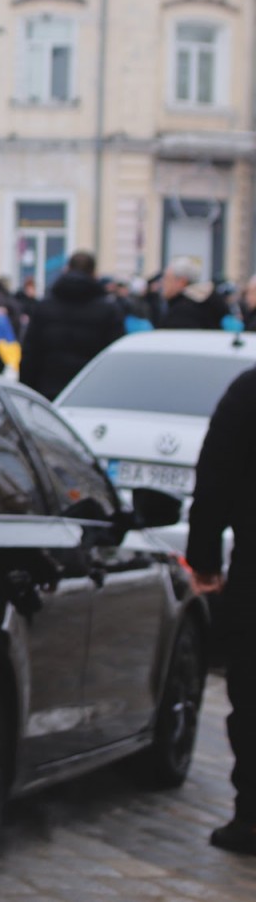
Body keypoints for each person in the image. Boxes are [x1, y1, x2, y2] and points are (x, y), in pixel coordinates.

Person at [190, 364, 256, 856]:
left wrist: (205, 559)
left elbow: (213, 479)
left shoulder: (249, 392)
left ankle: (252, 818)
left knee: (252, 697)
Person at [17, 251, 126, 400]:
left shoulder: (45, 307)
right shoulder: (109, 310)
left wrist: (27, 392)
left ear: (66, 269)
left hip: (48, 392)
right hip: (92, 393)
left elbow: (30, 353)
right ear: (94, 274)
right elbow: (115, 358)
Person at [160, 256, 233, 330]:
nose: (162, 283)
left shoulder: (181, 312)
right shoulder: (212, 300)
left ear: (182, 282)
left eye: (167, 278)